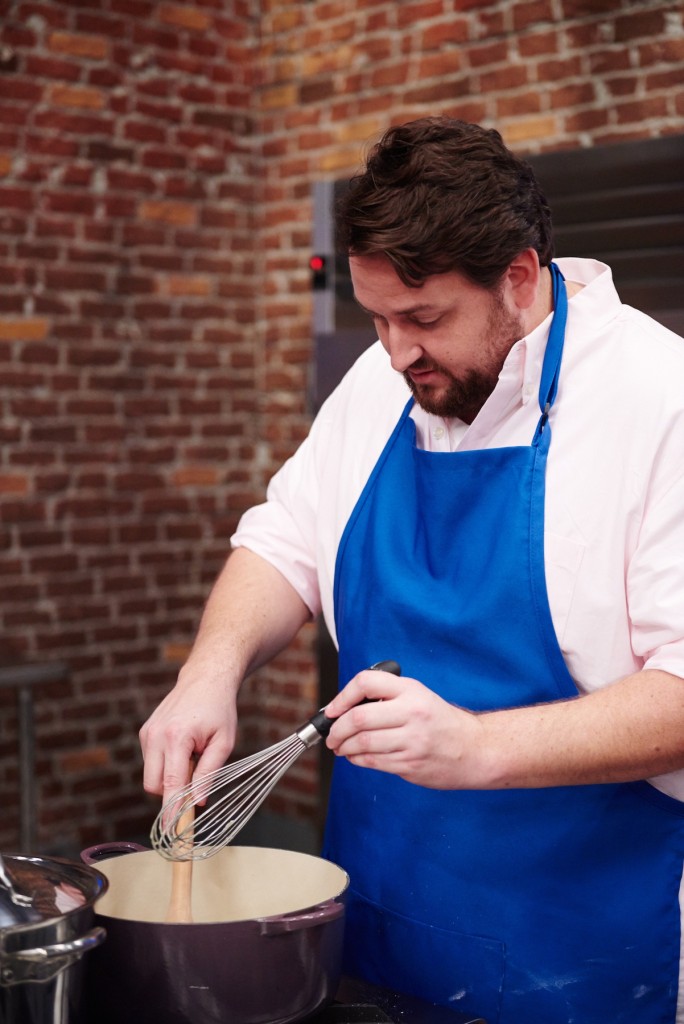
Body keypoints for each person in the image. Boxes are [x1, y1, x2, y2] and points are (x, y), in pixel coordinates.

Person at [139, 116, 684, 1024]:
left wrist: (478, 748)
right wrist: (210, 672)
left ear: (518, 275)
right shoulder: (381, 382)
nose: (396, 353)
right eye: (378, 318)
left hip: (577, 955)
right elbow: (285, 543)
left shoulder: (660, 402)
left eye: (424, 319)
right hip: (374, 925)